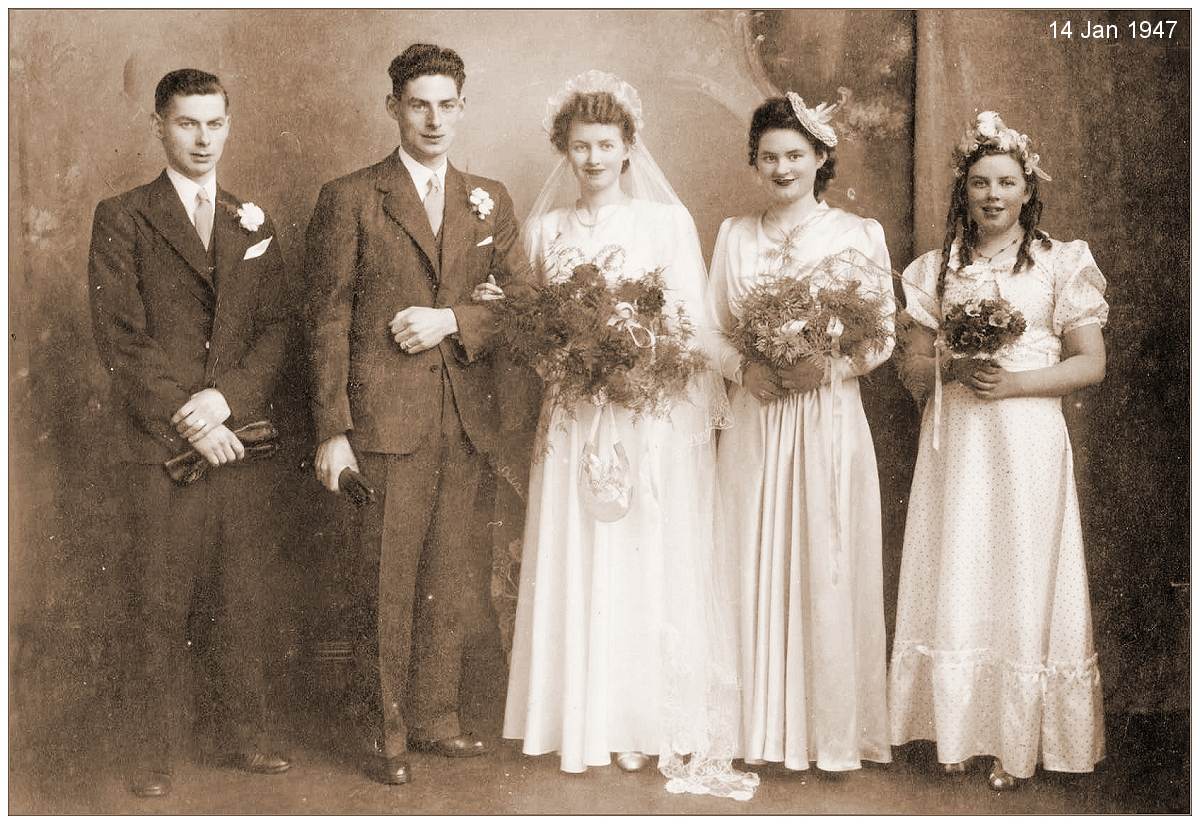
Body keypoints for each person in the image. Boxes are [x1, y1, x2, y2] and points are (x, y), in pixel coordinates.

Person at [480, 70, 756, 800]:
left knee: (638, 558)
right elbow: (530, 334)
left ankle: (639, 727)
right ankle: (576, 721)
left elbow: (691, 329)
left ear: (630, 147)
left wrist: (638, 369)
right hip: (574, 416)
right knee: (578, 554)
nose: (593, 159)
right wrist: (573, 361)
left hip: (645, 416)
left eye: (606, 145)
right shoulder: (543, 232)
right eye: (580, 147)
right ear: (563, 152)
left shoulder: (665, 224)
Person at [304, 43, 531, 786]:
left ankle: (435, 718)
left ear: (463, 107)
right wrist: (332, 430)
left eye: (447, 104)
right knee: (386, 582)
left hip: (463, 422)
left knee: (448, 575)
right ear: (393, 107)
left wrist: (452, 321)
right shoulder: (351, 197)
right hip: (384, 424)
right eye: (418, 104)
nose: (434, 119)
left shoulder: (489, 197)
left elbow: (523, 306)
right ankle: (384, 731)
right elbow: (327, 319)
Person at [88, 68, 293, 797]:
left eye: (214, 123)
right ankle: (150, 753)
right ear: (158, 126)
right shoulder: (124, 215)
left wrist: (223, 402)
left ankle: (246, 738)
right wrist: (189, 418)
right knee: (156, 599)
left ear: (228, 125)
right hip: (160, 444)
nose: (203, 139)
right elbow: (122, 338)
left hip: (234, 436)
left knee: (241, 594)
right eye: (186, 124)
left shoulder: (252, 221)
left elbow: (274, 330)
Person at [888, 111, 1107, 790]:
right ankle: (954, 734)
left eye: (1006, 182)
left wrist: (1013, 383)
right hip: (959, 441)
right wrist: (947, 369)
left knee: (1018, 571)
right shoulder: (937, 270)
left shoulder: (1059, 261)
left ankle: (1013, 745)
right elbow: (910, 370)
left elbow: (1090, 364)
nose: (992, 195)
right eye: (980, 182)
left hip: (1027, 438)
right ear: (965, 190)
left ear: (1026, 189)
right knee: (958, 563)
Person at [706, 94, 895, 772]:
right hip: (759, 416)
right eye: (769, 157)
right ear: (754, 164)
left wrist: (832, 365)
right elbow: (710, 328)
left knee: (825, 562)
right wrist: (746, 369)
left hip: (826, 418)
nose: (782, 168)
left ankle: (829, 735)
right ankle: (756, 732)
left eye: (794, 155)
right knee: (749, 556)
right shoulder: (734, 234)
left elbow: (884, 336)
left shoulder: (858, 233)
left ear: (820, 158)